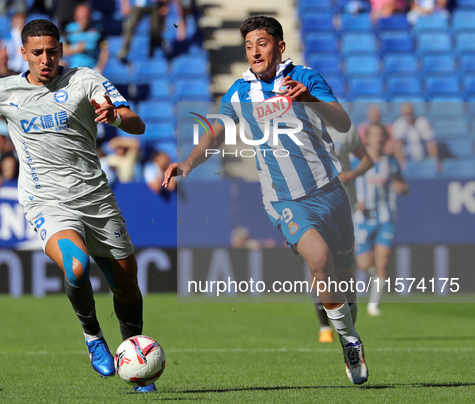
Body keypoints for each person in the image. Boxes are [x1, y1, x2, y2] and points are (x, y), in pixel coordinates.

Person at [0, 19, 153, 393]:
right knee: (75, 267)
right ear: (23, 54)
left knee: (126, 287)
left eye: (53, 51)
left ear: (62, 50)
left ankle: (137, 361)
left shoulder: (84, 80)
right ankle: (92, 336)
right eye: (38, 53)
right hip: (46, 200)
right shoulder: (3, 91)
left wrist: (118, 117)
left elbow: (136, 124)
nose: (46, 59)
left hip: (96, 199)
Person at [162, 16, 368, 385]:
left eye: (262, 43)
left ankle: (348, 323)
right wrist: (189, 162)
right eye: (249, 45)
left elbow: (342, 123)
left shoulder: (304, 77)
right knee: (319, 261)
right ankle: (349, 340)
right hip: (284, 198)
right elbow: (216, 131)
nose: (254, 51)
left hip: (330, 190)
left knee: (345, 275)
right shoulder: (239, 92)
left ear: (280, 46)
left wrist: (308, 99)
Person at [312, 123, 373, 343]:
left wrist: (351, 174)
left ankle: (347, 330)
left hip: (345, 205)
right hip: (313, 206)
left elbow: (367, 160)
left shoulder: (345, 130)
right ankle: (324, 326)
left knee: (344, 270)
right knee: (318, 264)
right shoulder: (297, 125)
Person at [353, 123, 409, 316]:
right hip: (363, 219)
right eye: (374, 135)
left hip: (386, 218)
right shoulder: (356, 160)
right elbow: (344, 184)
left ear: (385, 139)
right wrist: (354, 203)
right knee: (364, 264)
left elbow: (403, 185)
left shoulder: (390, 162)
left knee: (382, 262)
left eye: (380, 135)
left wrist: (402, 189)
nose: (377, 139)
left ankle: (373, 305)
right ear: (367, 138)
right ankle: (374, 275)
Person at [62, 2, 109, 73]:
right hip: (74, 68)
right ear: (76, 17)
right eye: (82, 17)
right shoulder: (70, 29)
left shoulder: (98, 30)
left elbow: (105, 51)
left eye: (87, 17)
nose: (85, 20)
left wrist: (99, 68)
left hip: (91, 69)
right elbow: (63, 50)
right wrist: (76, 49)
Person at [391, 102, 438, 169]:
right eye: (406, 114)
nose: (408, 116)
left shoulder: (422, 122)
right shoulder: (398, 124)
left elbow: (431, 142)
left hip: (424, 158)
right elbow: (397, 146)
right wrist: (402, 164)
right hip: (407, 159)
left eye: (410, 113)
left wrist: (434, 162)